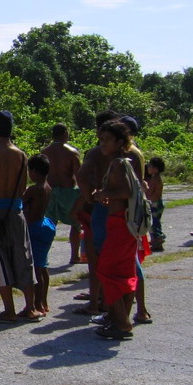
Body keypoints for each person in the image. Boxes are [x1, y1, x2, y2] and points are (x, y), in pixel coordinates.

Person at [0, 111, 41, 323]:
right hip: (15, 210)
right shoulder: (21, 155)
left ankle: (9, 310)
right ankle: (30, 307)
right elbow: (22, 187)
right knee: (23, 256)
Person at [92, 120, 144, 340]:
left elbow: (123, 192)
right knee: (124, 273)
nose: (102, 144)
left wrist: (103, 194)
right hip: (123, 223)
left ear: (120, 142)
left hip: (120, 224)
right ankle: (118, 317)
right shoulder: (124, 162)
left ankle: (122, 322)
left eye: (107, 140)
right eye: (101, 140)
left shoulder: (118, 164)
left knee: (106, 271)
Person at [71, 110, 120, 317]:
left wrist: (89, 197)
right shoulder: (130, 152)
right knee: (119, 257)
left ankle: (96, 302)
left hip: (102, 208)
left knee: (96, 257)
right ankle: (116, 299)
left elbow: (82, 177)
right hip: (123, 210)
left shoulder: (96, 153)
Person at [41, 123, 82, 265]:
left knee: (48, 224)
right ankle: (74, 256)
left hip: (50, 191)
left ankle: (43, 257)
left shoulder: (44, 152)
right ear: (65, 133)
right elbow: (79, 175)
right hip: (68, 192)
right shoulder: (72, 152)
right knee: (76, 224)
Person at [24, 154, 56, 316]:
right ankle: (44, 301)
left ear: (34, 171)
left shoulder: (34, 189)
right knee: (43, 266)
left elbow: (22, 202)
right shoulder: (47, 186)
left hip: (35, 227)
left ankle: (37, 303)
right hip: (46, 224)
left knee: (36, 268)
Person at [145, 157, 166, 252]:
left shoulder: (155, 179)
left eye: (150, 165)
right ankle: (155, 240)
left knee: (153, 224)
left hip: (155, 204)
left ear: (155, 169)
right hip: (156, 204)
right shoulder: (155, 178)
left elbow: (148, 191)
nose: (148, 167)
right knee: (154, 222)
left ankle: (158, 241)